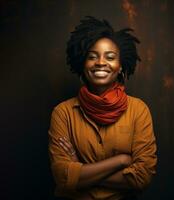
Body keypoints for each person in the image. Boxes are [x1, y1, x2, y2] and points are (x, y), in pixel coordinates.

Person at [48, 16, 157, 200]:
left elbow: (142, 176)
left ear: (120, 66)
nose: (100, 62)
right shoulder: (63, 113)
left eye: (110, 57)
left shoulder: (138, 110)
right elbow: (62, 177)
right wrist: (120, 161)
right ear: (83, 64)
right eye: (92, 56)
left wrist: (81, 172)